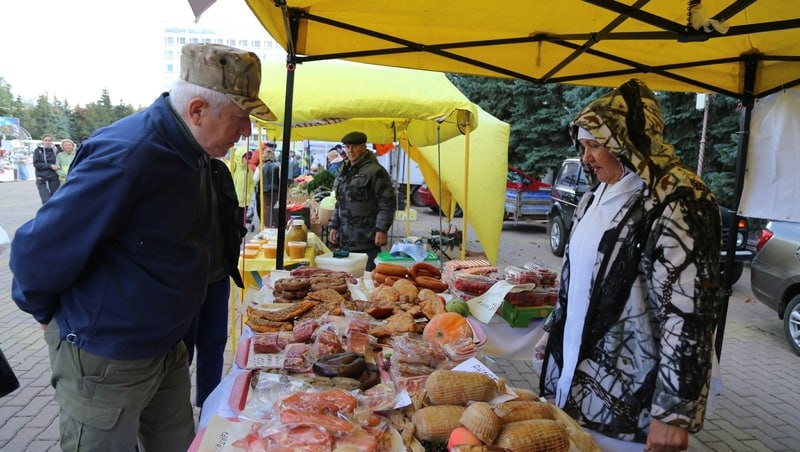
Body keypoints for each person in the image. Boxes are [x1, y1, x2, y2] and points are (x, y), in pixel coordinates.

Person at [10, 42, 275, 451]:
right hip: (106, 358)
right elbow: (35, 252)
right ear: (198, 110)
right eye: (240, 119)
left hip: (165, 348)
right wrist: (54, 321)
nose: (246, 133)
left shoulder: (197, 153)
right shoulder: (130, 156)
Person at [539, 79, 721, 452]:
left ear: (627, 143)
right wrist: (553, 329)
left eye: (595, 146)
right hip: (580, 375)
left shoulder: (678, 199)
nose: (586, 157)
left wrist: (672, 412)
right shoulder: (598, 192)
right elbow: (577, 277)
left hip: (634, 402)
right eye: (583, 145)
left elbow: (689, 310)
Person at [183, 155, 246, 409]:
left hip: (217, 276)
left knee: (214, 344)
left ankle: (208, 405)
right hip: (184, 284)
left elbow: (231, 215)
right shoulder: (175, 166)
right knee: (180, 354)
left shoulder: (219, 169)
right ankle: (175, 411)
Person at [328, 131, 396, 271]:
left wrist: (381, 229)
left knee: (367, 278)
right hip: (346, 238)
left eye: (354, 146)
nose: (350, 150)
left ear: (363, 147)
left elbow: (387, 203)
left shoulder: (375, 171)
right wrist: (334, 225)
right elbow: (339, 201)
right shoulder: (344, 170)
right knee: (349, 278)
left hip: (367, 238)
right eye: (347, 147)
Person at [254, 146, 280, 228]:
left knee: (266, 208)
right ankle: (275, 224)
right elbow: (280, 178)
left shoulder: (260, 166)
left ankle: (267, 225)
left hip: (264, 191)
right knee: (274, 207)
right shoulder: (278, 166)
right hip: (276, 190)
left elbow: (255, 180)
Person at [32, 134, 60, 203]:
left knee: (55, 198)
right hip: (41, 177)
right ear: (43, 141)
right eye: (46, 140)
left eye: (49, 140)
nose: (48, 142)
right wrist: (50, 166)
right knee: (46, 199)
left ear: (52, 142)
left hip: (53, 176)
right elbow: (36, 164)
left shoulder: (56, 150)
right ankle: (47, 212)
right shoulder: (38, 151)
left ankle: (54, 213)